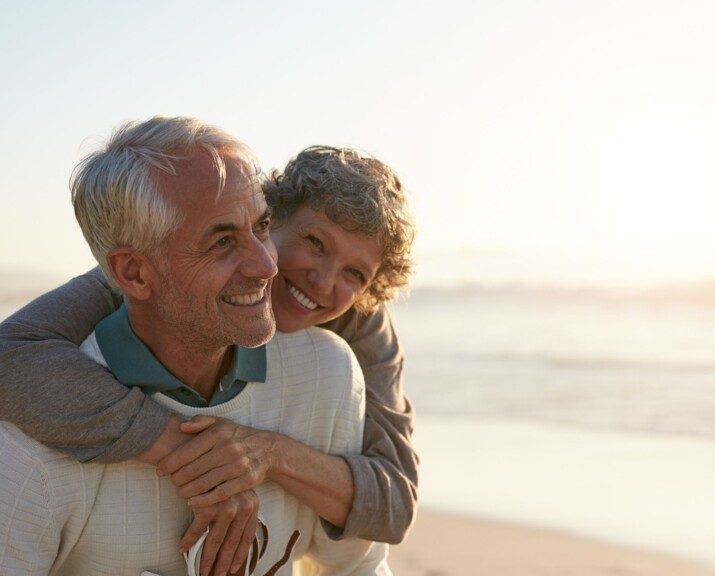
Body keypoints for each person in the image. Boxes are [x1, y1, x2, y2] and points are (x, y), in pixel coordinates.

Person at [0, 137, 418, 569]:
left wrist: (268, 452)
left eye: (355, 273)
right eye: (315, 242)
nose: (326, 282)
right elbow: (9, 355)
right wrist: (191, 454)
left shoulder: (348, 339)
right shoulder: (138, 276)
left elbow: (393, 505)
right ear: (272, 219)